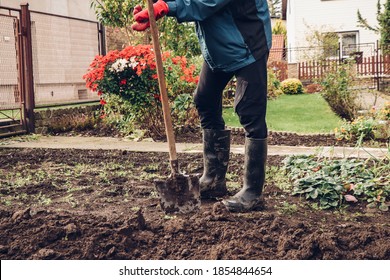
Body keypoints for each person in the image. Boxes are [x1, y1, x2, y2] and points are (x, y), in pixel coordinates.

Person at [132, 0, 272, 212]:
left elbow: (207, 2)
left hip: (247, 45)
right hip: (219, 50)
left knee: (249, 109)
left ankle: (253, 192)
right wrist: (155, 6)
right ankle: (214, 179)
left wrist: (168, 8)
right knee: (205, 98)